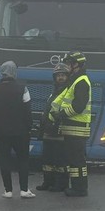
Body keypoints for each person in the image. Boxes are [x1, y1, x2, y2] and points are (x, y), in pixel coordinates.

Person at [0, 60, 34, 198]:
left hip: (1, 132)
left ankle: (8, 190)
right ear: (14, 72)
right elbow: (27, 112)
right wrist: (29, 128)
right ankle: (24, 190)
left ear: (1, 72)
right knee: (23, 160)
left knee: (4, 160)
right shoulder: (22, 89)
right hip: (21, 132)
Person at [48, 51, 93, 198]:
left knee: (77, 161)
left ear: (76, 64)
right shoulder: (76, 80)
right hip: (73, 128)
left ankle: (80, 189)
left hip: (77, 128)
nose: (67, 66)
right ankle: (77, 187)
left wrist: (62, 114)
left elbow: (79, 106)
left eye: (69, 63)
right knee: (74, 160)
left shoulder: (81, 81)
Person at [36, 63, 70, 192]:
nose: (60, 78)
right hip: (49, 131)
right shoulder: (54, 92)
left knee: (60, 160)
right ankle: (48, 182)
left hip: (60, 131)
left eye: (63, 75)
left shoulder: (68, 92)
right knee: (47, 160)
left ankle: (61, 184)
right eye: (58, 76)